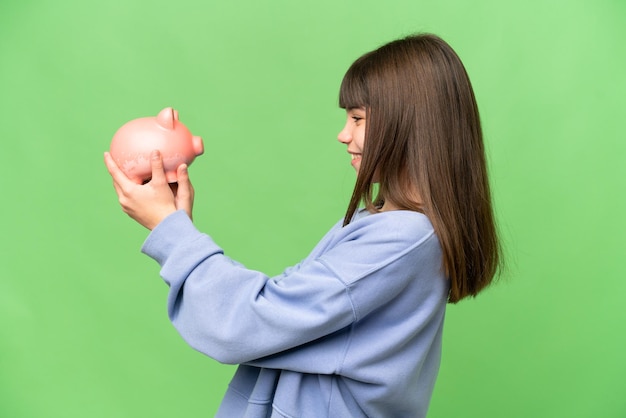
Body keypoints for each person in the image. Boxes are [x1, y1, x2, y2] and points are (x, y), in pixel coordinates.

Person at [104, 33, 501, 418]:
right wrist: (178, 227)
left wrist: (172, 231)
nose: (344, 135)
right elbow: (279, 313)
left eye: (358, 118)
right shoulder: (384, 226)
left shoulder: (403, 240)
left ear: (412, 123)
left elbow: (246, 323)